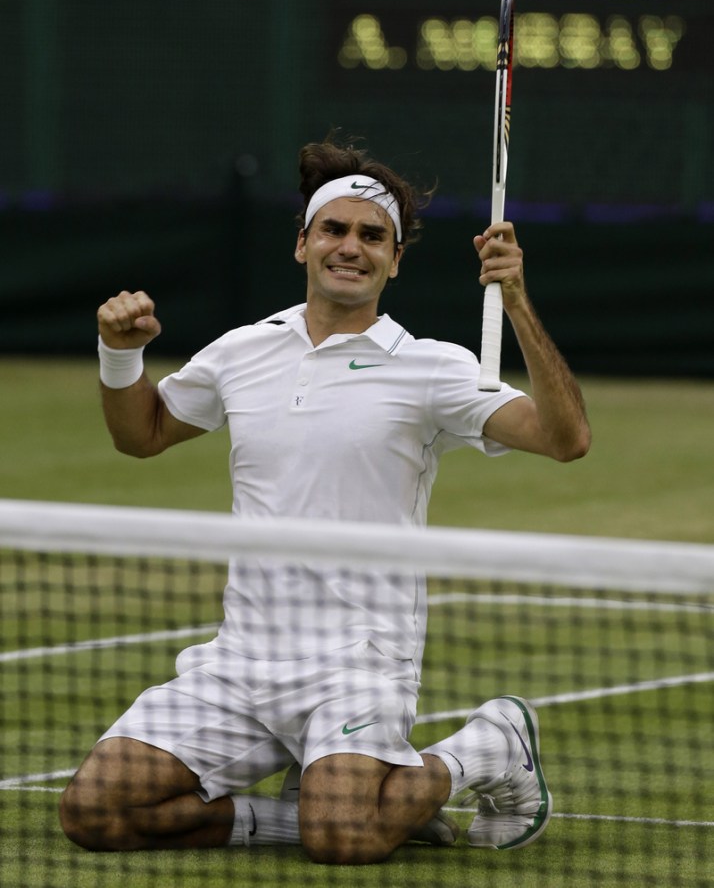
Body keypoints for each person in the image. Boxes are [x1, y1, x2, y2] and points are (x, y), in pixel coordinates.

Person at [60, 137, 590, 864]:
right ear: (303, 243)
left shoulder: (430, 366)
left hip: (359, 660)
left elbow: (566, 438)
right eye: (335, 229)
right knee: (94, 810)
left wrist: (519, 302)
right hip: (242, 659)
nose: (352, 246)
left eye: (373, 236)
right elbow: (141, 434)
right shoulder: (242, 350)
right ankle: (316, 806)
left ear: (394, 260)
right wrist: (119, 353)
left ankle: (485, 746)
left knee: (344, 840)